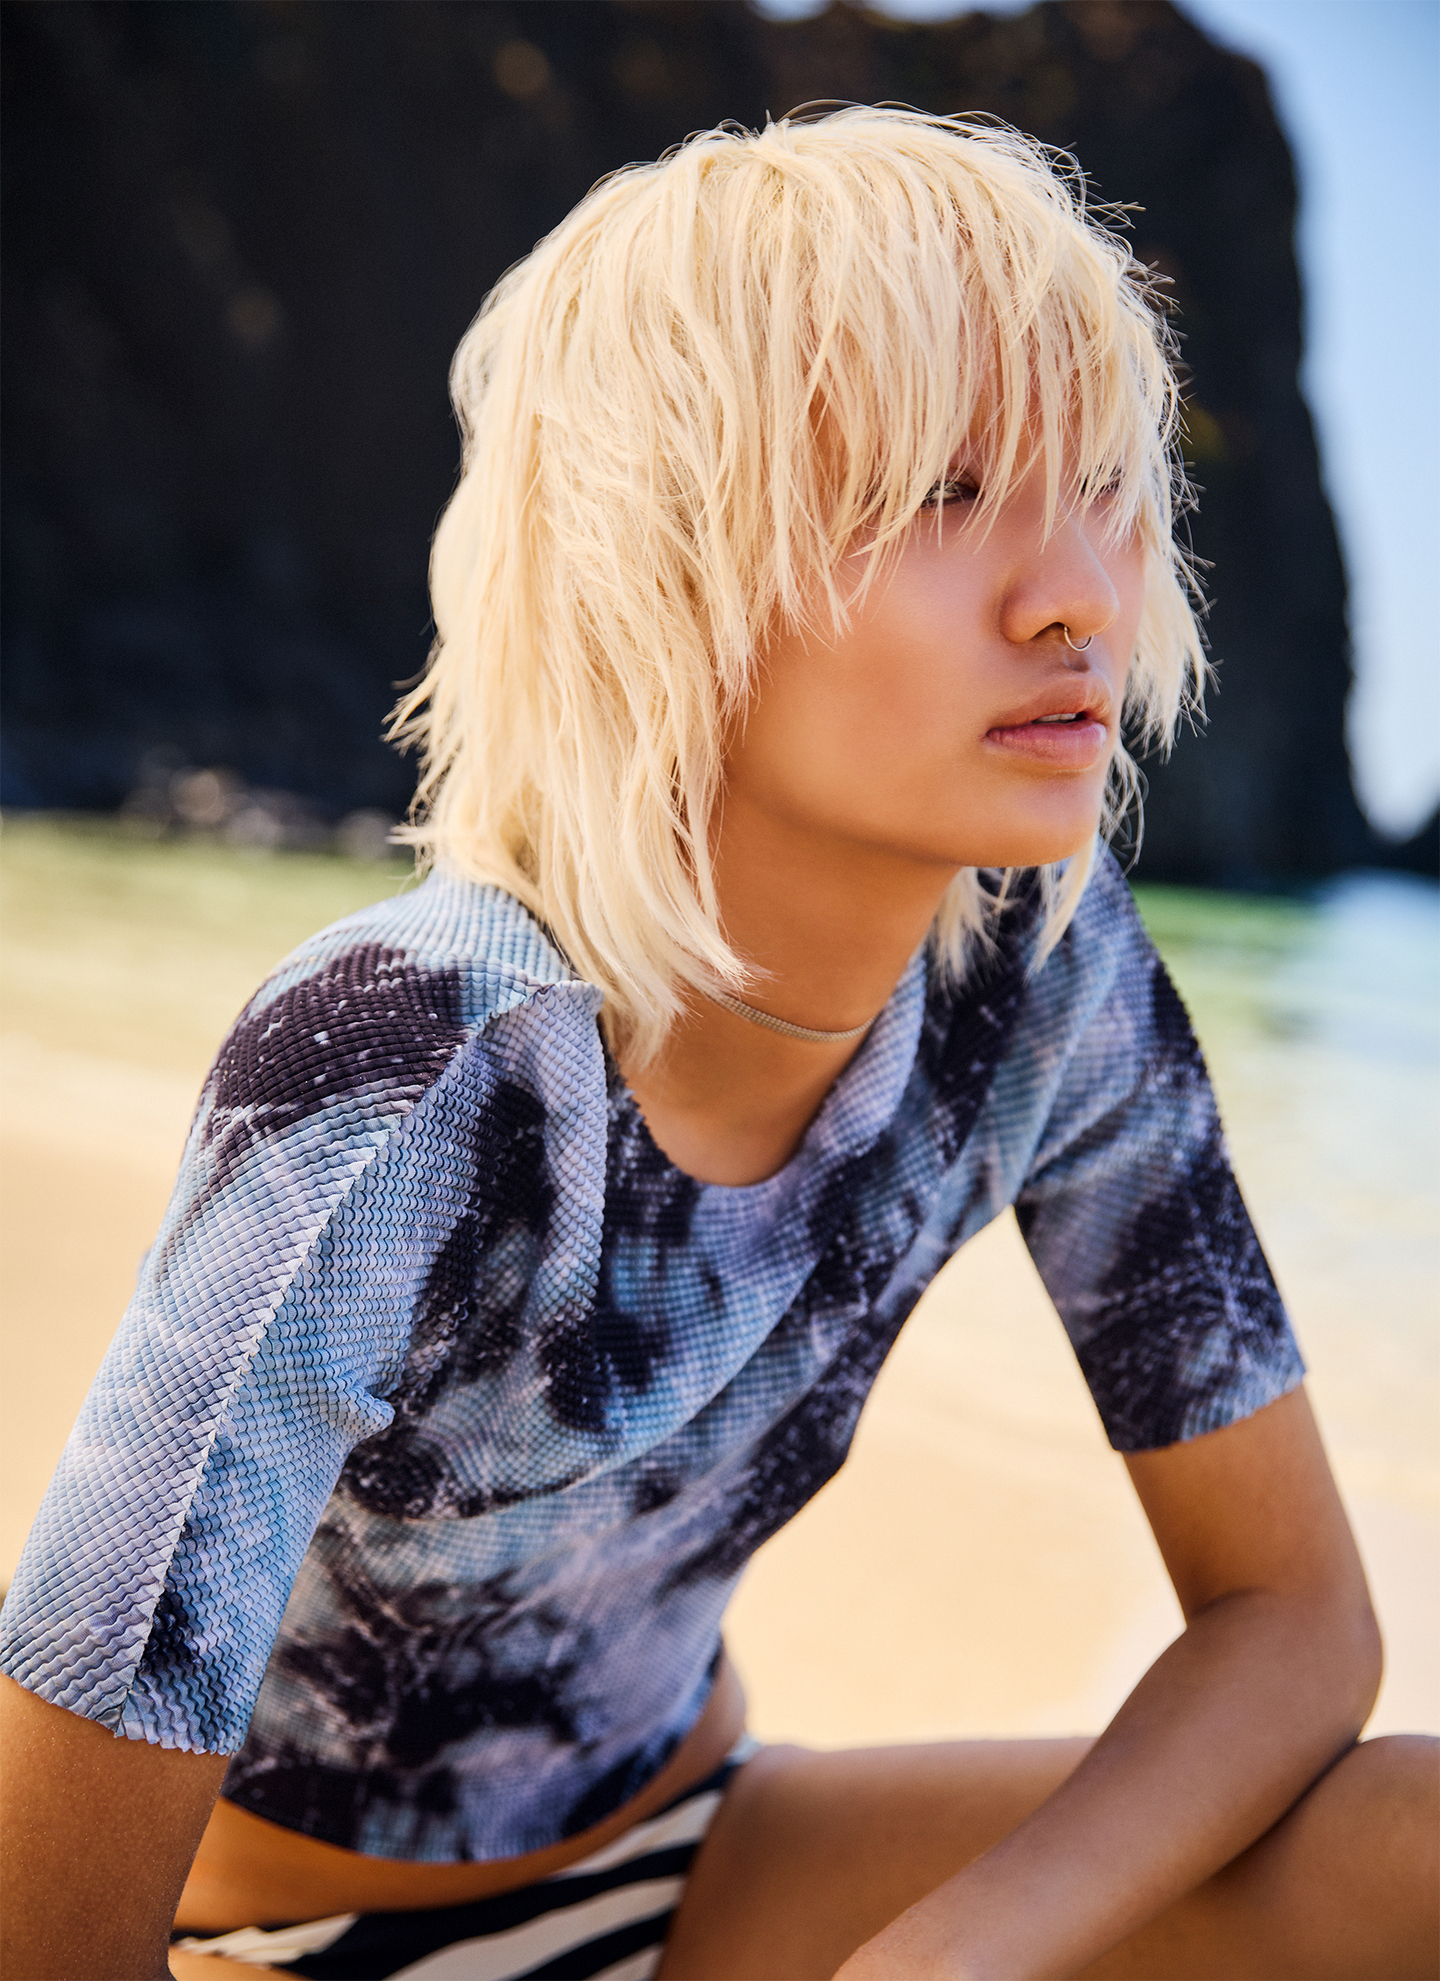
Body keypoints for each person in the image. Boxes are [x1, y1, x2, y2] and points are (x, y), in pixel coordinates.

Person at [0, 107, 1433, 1981]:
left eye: (1098, 482)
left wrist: (943, 1959)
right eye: (945, 491)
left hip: (707, 1857)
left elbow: (1296, 1617)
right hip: (262, 1932)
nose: (1080, 588)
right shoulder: (405, 1067)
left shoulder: (1036, 976)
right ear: (666, 563)